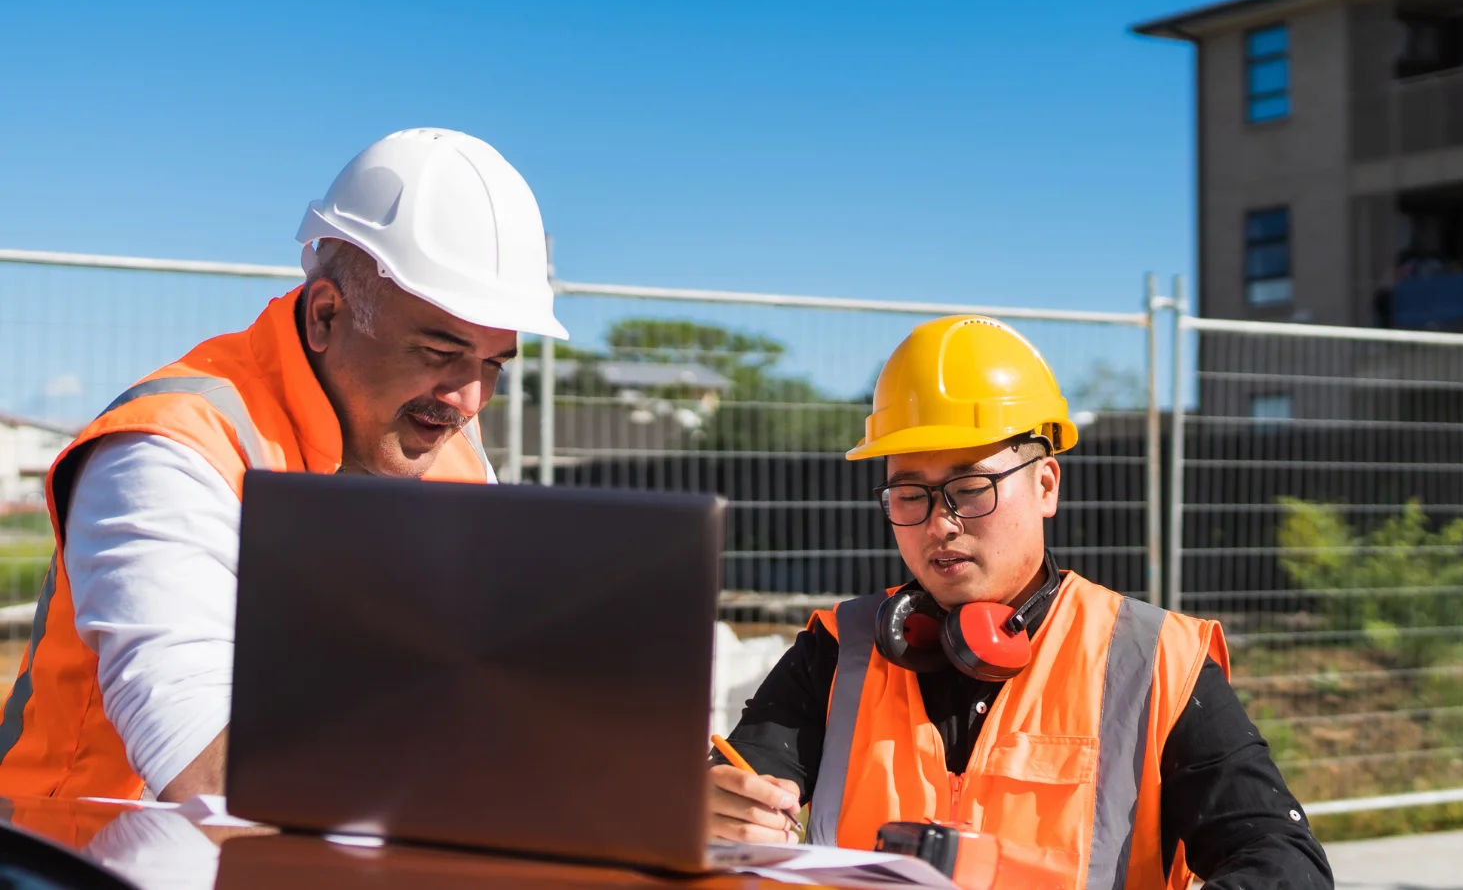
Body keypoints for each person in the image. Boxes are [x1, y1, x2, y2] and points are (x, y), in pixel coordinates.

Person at [0, 128, 567, 803]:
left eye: (492, 364)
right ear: (327, 314)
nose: (468, 400)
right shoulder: (171, 446)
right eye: (439, 352)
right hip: (86, 846)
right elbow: (206, 770)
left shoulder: (455, 455)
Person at [708, 315, 1333, 890]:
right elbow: (734, 792)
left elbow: (1283, 862)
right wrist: (714, 813)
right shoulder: (839, 649)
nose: (940, 524)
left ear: (1046, 485)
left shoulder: (1157, 659)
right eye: (910, 494)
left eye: (971, 487)